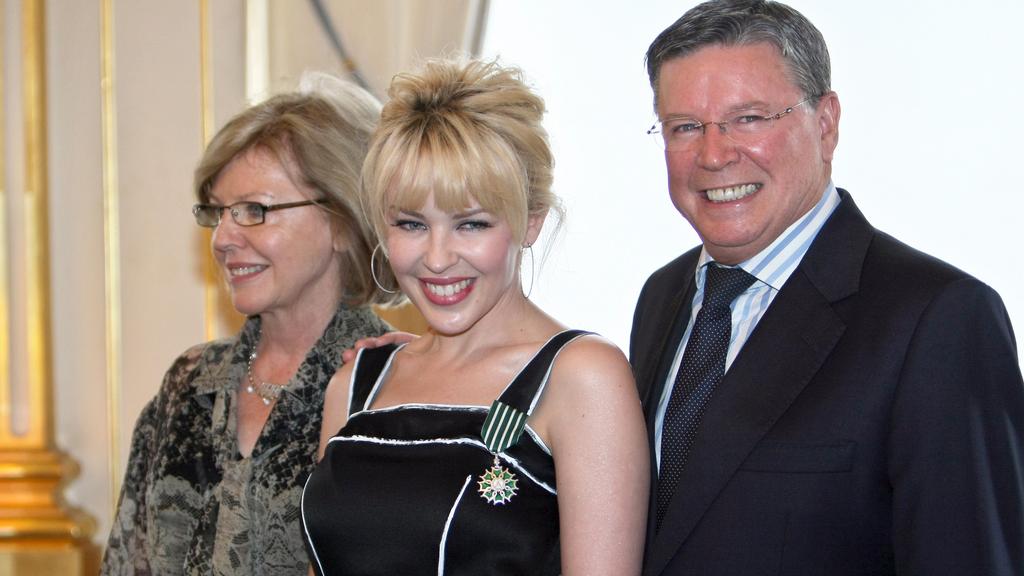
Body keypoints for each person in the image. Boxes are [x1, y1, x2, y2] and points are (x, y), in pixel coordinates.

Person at [631, 1, 1024, 575]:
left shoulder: (939, 319)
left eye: (750, 118)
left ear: (826, 122)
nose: (713, 155)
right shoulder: (662, 297)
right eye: (685, 127)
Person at [300, 58, 649, 576]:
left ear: (531, 222)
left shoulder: (582, 378)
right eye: (412, 223)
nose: (438, 258)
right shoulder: (356, 384)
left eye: (471, 224)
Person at [101, 74, 399, 575]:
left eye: (255, 210)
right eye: (218, 212)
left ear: (344, 222)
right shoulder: (189, 383)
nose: (222, 238)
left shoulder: (390, 389)